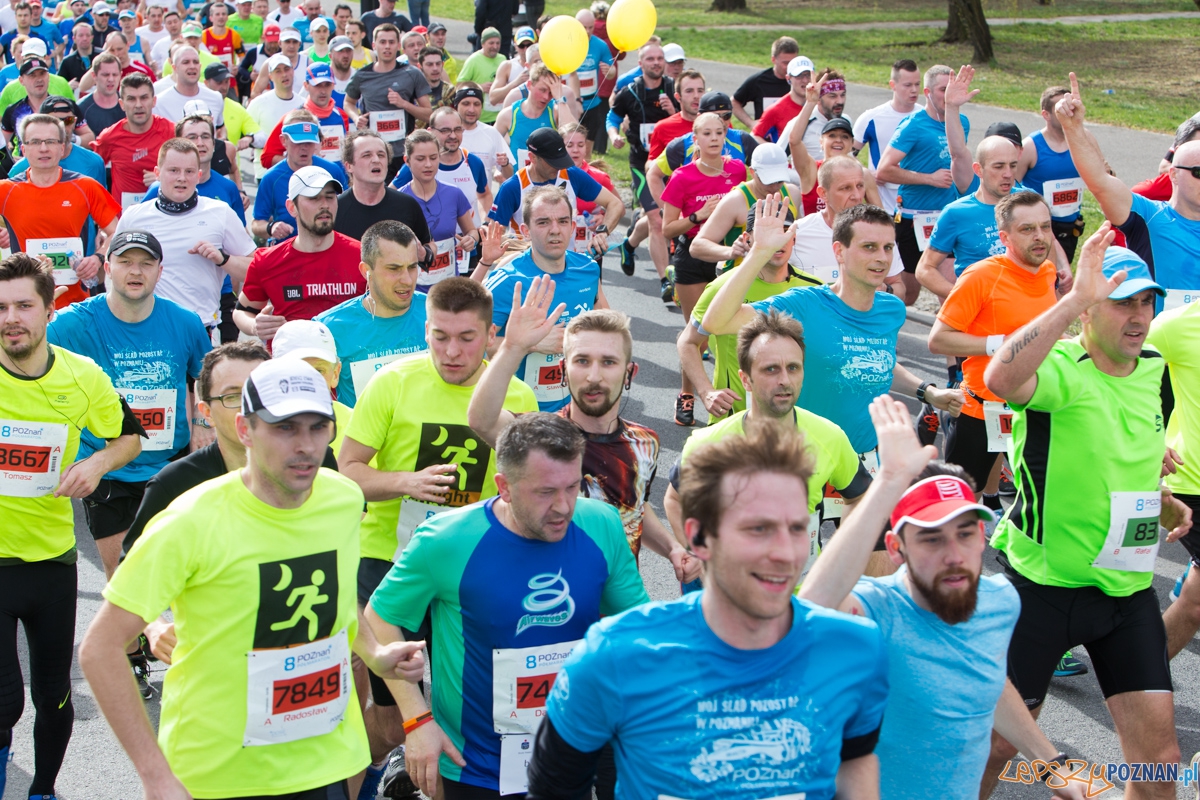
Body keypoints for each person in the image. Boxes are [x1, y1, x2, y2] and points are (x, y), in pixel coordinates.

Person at [80, 357, 427, 800]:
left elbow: (336, 598)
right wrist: (154, 775)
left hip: (325, 761)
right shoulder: (189, 520)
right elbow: (100, 648)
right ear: (245, 430)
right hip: (219, 776)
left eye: (318, 427)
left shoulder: (342, 499)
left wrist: (375, 654)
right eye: (285, 428)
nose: (305, 445)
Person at [525, 420, 885, 799]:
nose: (783, 553)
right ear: (698, 537)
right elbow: (553, 790)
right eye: (757, 529)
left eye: (796, 528)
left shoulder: (854, 649)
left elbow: (856, 764)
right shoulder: (615, 655)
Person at [980, 227, 1190, 799]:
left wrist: (1160, 502)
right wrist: (1072, 298)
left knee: (1161, 761)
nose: (1139, 317)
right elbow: (999, 379)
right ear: (1089, 310)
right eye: (1122, 302)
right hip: (1042, 589)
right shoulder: (1061, 368)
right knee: (995, 747)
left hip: (1126, 590)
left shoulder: (1154, 370)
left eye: (1146, 302)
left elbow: (1123, 457)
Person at [798, 397, 1086, 800]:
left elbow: (985, 676)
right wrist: (889, 481)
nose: (954, 555)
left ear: (982, 537)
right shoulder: (875, 610)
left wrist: (1051, 762)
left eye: (965, 534)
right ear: (896, 549)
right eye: (931, 539)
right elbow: (812, 605)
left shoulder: (1000, 602)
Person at [365, 410, 648, 800]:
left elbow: (634, 625)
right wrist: (417, 720)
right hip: (476, 767)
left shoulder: (601, 523)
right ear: (505, 487)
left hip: (571, 750)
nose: (564, 506)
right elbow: (379, 617)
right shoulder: (445, 541)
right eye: (545, 492)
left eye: (572, 487)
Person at [337, 278, 537, 795]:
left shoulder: (515, 393)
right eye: (439, 336)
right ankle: (371, 771)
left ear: (490, 335)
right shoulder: (392, 382)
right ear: (424, 330)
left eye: (467, 338)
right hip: (390, 562)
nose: (451, 351)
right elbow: (347, 472)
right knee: (391, 721)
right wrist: (406, 482)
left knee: (467, 707)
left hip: (470, 572)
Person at [703, 199, 963, 570]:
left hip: (865, 460)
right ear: (839, 251)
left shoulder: (890, 310)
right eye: (869, 247)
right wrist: (759, 252)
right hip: (804, 459)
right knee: (799, 578)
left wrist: (928, 391)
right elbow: (716, 322)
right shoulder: (805, 304)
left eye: (887, 247)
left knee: (877, 573)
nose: (881, 258)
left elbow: (877, 363)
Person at [0, 253, 141, 800]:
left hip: (52, 562)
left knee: (54, 694)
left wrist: (96, 464)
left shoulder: (83, 377)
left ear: (49, 309)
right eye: (1, 308)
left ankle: (42, 790)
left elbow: (128, 437)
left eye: (23, 306)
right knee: (5, 702)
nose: (11, 319)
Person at [471, 284, 694, 572]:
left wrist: (672, 548)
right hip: (548, 593)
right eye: (582, 361)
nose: (594, 376)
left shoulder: (645, 441)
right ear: (563, 370)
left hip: (619, 596)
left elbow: (633, 507)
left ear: (629, 373)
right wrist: (513, 348)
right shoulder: (539, 436)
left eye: (608, 362)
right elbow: (482, 420)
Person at [47, 228, 210, 585]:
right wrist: (36, 308)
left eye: (146, 264)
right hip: (108, 468)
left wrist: (202, 420)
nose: (136, 271)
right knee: (124, 579)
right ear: (107, 268)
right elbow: (22, 351)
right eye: (125, 262)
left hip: (169, 464)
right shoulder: (73, 322)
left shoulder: (185, 322)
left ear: (160, 271)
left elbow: (207, 374)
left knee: (179, 575)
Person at [666, 308, 871, 578]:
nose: (784, 380)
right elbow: (675, 499)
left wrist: (842, 555)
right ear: (746, 380)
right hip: (732, 594)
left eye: (793, 368)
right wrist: (700, 556)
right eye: (771, 369)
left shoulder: (829, 436)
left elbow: (860, 497)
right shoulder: (709, 443)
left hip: (803, 593)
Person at [927, 191, 1066, 515]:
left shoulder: (1047, 271)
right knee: (958, 505)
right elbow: (938, 340)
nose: (1040, 236)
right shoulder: (981, 276)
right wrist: (1002, 343)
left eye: (1045, 227)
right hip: (982, 410)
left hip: (1034, 407)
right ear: (1004, 237)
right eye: (1027, 229)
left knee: (1037, 498)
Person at [1056, 71, 1200, 311]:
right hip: (1157, 335)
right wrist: (1073, 128)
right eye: (1198, 172)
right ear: (1173, 174)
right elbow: (1100, 181)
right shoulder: (1149, 216)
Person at [684, 189, 819, 423]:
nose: (777, 239)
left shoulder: (815, 290)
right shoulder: (724, 288)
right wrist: (706, 392)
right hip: (734, 420)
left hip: (795, 421)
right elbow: (688, 342)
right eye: (768, 232)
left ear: (794, 238)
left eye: (785, 231)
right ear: (748, 239)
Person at [484, 185, 610, 412]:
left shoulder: (588, 270)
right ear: (526, 230)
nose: (555, 230)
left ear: (572, 227)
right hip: (520, 411)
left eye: (562, 221)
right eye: (543, 222)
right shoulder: (508, 280)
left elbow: (606, 326)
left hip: (576, 407)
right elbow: (476, 344)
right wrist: (531, 344)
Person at [660, 111, 748, 426]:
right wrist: (698, 216)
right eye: (706, 134)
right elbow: (667, 229)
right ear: (694, 139)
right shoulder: (682, 177)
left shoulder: (738, 170)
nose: (713, 139)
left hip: (731, 255)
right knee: (696, 334)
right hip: (693, 255)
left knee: (733, 332)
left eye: (719, 133)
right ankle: (687, 394)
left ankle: (737, 396)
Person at [116, 138, 256, 332]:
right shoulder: (134, 216)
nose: (181, 178)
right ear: (157, 173)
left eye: (189, 172)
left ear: (198, 176)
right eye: (173, 170)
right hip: (145, 328)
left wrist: (223, 259)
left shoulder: (220, 212)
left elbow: (255, 270)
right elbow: (114, 269)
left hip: (200, 328)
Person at [0, 113, 120, 309]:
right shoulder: (6, 190)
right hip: (24, 303)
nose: (44, 148)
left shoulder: (86, 186)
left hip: (75, 303)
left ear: (62, 147)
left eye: (51, 141)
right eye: (35, 142)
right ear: (23, 149)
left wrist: (98, 258)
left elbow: (117, 232)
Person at [237, 165, 365, 342]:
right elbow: (242, 311)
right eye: (314, 198)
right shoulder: (267, 261)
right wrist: (255, 326)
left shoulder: (363, 256)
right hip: (291, 357)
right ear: (292, 207)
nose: (324, 205)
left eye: (330, 197)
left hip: (348, 357)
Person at [877, 65, 971, 304]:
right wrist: (929, 179)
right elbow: (884, 170)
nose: (948, 94)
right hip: (914, 218)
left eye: (952, 89)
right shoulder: (914, 125)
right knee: (907, 296)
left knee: (951, 292)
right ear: (928, 93)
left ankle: (949, 327)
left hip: (947, 216)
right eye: (943, 90)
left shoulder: (962, 123)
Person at [316, 220, 429, 408]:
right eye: (394, 269)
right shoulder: (329, 328)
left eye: (412, 267)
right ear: (366, 271)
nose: (407, 280)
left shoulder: (437, 313)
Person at [1147, 286, 1200, 660]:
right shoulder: (1177, 325)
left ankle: (1140, 679)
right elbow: (1115, 375)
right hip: (1194, 480)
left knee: (1195, 604)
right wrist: (1150, 437)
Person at [915, 135, 1029, 300]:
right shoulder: (956, 213)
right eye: (998, 167)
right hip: (980, 309)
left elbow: (1050, 244)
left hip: (1024, 303)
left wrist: (1060, 273)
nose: (1008, 174)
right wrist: (962, 296)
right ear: (978, 170)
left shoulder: (1029, 201)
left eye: (1013, 165)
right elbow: (924, 269)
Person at [487, 127, 623, 250]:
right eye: (552, 162)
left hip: (566, 262)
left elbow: (615, 204)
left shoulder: (572, 175)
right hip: (527, 266)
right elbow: (494, 237)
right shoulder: (512, 187)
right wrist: (528, 249)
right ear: (532, 158)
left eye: (561, 160)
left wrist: (602, 232)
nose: (559, 167)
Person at [606, 42, 674, 279]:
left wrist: (673, 111)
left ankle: (629, 244)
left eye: (660, 58)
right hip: (642, 164)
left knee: (665, 216)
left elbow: (691, 122)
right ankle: (665, 281)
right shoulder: (630, 92)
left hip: (672, 164)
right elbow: (612, 118)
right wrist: (614, 136)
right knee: (655, 218)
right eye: (650, 59)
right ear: (640, 63)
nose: (656, 63)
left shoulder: (674, 89)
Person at [782, 156, 902, 290]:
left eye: (860, 186)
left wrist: (884, 290)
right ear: (823, 193)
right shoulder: (798, 233)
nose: (857, 196)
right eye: (846, 188)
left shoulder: (880, 230)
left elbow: (898, 286)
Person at [392, 130, 480, 290]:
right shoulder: (398, 200)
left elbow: (472, 231)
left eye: (433, 158)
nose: (428, 164)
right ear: (407, 161)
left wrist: (471, 240)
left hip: (448, 288)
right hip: (411, 290)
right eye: (420, 159)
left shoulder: (454, 194)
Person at [343, 23, 431, 177]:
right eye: (383, 42)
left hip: (403, 152)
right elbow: (348, 102)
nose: (387, 47)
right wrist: (356, 118)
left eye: (391, 42)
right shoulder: (362, 75)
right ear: (374, 45)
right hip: (373, 152)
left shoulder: (412, 73)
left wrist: (403, 104)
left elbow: (429, 114)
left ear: (398, 46)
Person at [1015, 85, 1088, 262]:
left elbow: (1104, 176)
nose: (1067, 112)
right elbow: (1011, 186)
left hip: (1071, 227)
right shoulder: (1031, 146)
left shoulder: (1083, 140)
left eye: (1070, 107)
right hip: (1039, 228)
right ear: (1046, 115)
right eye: (1060, 108)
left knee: (1063, 274)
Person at [251, 112, 349, 242]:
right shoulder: (271, 178)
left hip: (327, 247)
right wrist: (271, 227)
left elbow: (348, 211)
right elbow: (257, 223)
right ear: (284, 141)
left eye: (309, 142)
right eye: (298, 142)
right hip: (288, 249)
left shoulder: (332, 171)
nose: (304, 148)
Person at [392, 106, 491, 224]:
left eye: (457, 129)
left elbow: (484, 195)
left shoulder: (473, 162)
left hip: (469, 234)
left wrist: (485, 223)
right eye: (445, 130)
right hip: (430, 235)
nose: (453, 136)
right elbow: (389, 197)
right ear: (430, 131)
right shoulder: (416, 166)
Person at [93, 73, 176, 209]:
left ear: (154, 101)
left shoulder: (171, 132)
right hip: (125, 216)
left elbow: (188, 171)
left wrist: (162, 177)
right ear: (122, 104)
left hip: (164, 212)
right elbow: (92, 170)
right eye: (131, 99)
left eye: (144, 98)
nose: (138, 105)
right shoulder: (109, 137)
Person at [335, 129, 432, 244]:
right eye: (367, 155)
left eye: (381, 155)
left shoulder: (407, 205)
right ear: (349, 166)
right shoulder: (336, 210)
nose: (376, 160)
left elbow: (429, 245)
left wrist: (425, 252)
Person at [854, 58, 920, 216]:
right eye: (908, 85)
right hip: (882, 206)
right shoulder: (871, 118)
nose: (914, 90)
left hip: (918, 204)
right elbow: (847, 155)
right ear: (893, 85)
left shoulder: (925, 116)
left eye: (917, 84)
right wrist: (867, 174)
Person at [258, 63, 351, 167]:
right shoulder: (292, 119)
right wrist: (298, 161)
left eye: (327, 85)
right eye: (317, 85)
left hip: (336, 176)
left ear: (333, 85)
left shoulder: (342, 116)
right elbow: (267, 158)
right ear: (306, 85)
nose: (323, 91)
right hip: (305, 176)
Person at [495, 62, 577, 169]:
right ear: (529, 85)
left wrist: (559, 98)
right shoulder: (509, 114)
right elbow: (491, 143)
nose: (546, 97)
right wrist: (500, 168)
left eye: (551, 92)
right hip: (519, 177)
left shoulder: (555, 111)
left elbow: (573, 135)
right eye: (542, 90)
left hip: (548, 177)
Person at [560, 121, 616, 259]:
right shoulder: (551, 174)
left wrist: (603, 218)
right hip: (558, 247)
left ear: (586, 147)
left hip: (589, 248)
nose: (575, 150)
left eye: (580, 145)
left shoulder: (599, 177)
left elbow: (617, 207)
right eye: (569, 145)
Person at [454, 82, 514, 191]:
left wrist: (504, 164)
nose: (471, 109)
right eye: (466, 104)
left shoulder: (491, 133)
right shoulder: (446, 133)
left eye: (476, 104)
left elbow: (509, 174)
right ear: (456, 105)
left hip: (482, 200)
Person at [572, 8, 614, 158]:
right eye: (584, 27)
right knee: (569, 148)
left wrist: (609, 71)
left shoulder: (600, 45)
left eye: (591, 27)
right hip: (571, 104)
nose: (587, 31)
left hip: (592, 104)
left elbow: (612, 72)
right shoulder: (567, 43)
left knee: (586, 151)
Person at [731, 34, 798, 128]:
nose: (789, 67)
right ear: (773, 59)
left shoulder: (801, 81)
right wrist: (750, 123)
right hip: (766, 135)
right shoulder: (759, 81)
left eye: (793, 62)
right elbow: (734, 102)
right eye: (785, 63)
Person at [246, 53, 305, 161]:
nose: (284, 75)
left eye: (286, 69)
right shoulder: (258, 103)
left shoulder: (303, 104)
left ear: (292, 71)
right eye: (278, 71)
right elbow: (246, 134)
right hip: (265, 168)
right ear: (270, 76)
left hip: (299, 167)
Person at [749, 52, 812, 144]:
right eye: (799, 76)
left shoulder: (821, 105)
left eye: (808, 75)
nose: (805, 80)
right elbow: (754, 136)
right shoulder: (776, 109)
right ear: (788, 78)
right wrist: (775, 150)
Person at [0, 55, 53, 148]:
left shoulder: (63, 106)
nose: (39, 79)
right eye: (32, 75)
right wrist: (10, 156)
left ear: (48, 76)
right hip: (24, 157)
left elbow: (82, 134)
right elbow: (2, 144)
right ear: (21, 80)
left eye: (42, 74)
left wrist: (73, 139)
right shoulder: (13, 110)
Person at [456, 26, 505, 124]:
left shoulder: (502, 59)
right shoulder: (473, 60)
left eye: (498, 43)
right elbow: (459, 86)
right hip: (480, 118)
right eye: (491, 43)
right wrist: (480, 87)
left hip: (499, 116)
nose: (495, 47)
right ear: (483, 43)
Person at [59, 20, 98, 85]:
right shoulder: (67, 62)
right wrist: (68, 86)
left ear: (92, 38)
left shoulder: (102, 56)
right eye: (81, 35)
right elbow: (59, 85)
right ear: (74, 39)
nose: (85, 38)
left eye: (88, 35)